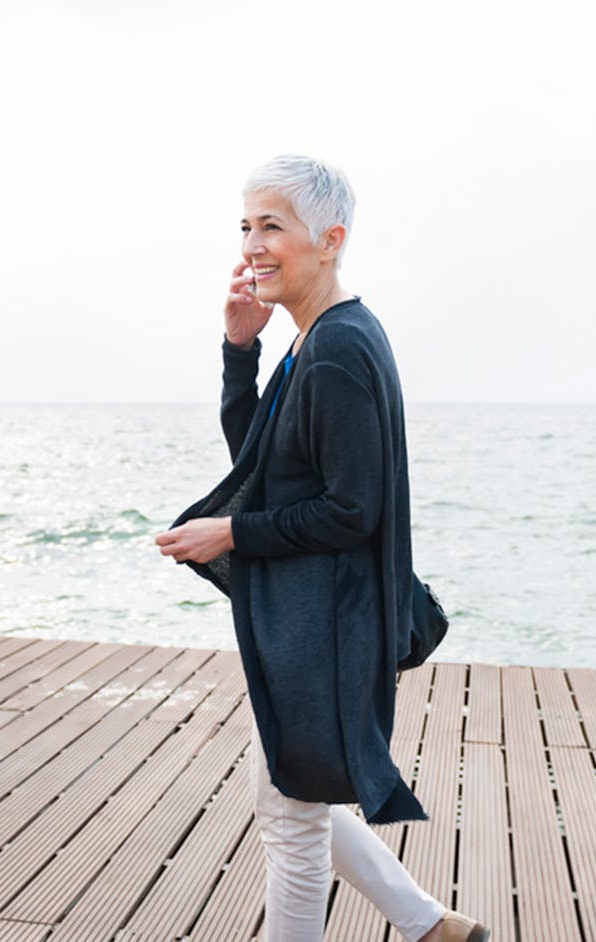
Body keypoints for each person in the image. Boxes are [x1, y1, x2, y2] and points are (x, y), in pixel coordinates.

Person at [154, 155, 488, 942]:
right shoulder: (314, 339)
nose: (252, 245)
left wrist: (230, 532)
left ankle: (423, 921)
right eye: (245, 226)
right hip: (310, 620)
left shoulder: (338, 349)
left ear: (331, 239)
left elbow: (352, 511)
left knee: (291, 824)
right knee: (287, 794)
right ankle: (427, 923)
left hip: (326, 624)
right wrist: (243, 352)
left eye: (272, 226)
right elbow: (264, 469)